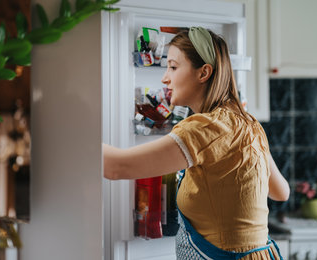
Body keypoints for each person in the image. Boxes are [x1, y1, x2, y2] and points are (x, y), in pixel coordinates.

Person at [104, 27, 290, 259]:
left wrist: (70, 132)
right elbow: (281, 192)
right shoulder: (248, 123)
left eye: (173, 67)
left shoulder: (203, 128)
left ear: (204, 73)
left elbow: (116, 167)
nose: (165, 78)